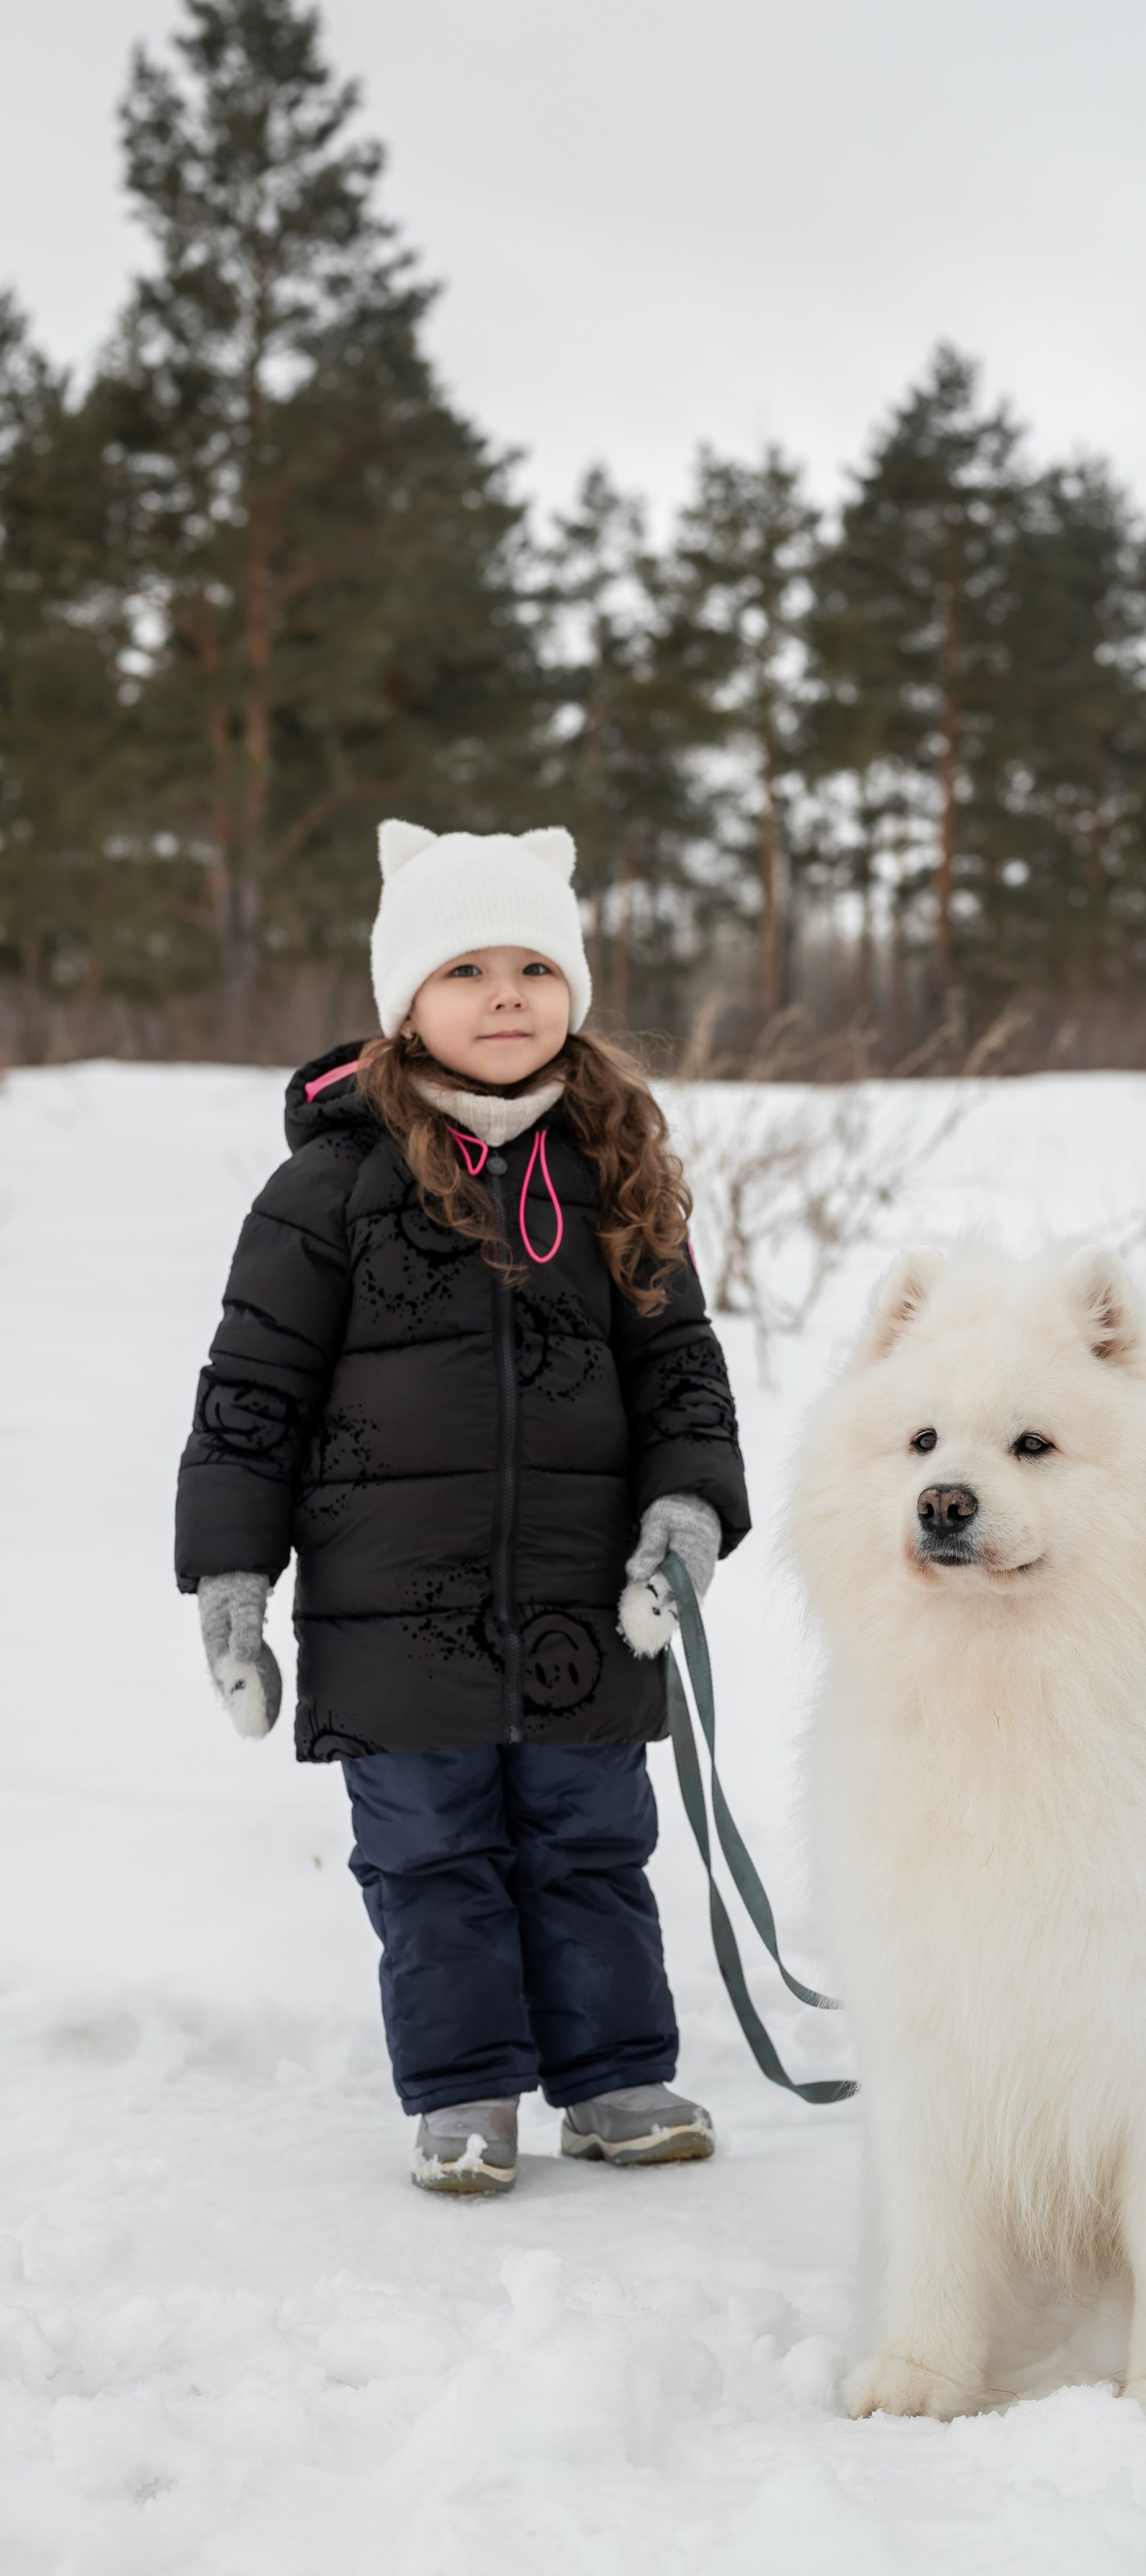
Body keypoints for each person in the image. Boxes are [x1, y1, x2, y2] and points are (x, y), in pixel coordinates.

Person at [176, 820, 749, 2196]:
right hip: (395, 1611)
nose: (506, 997)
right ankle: (466, 2089)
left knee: (593, 1843)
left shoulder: (614, 1174)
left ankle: (615, 2079)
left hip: (582, 1601)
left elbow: (682, 1373)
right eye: (468, 969)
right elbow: (249, 1390)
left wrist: (687, 1511)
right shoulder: (330, 1185)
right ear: (404, 1002)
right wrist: (232, 1581)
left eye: (535, 967)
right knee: (430, 1854)